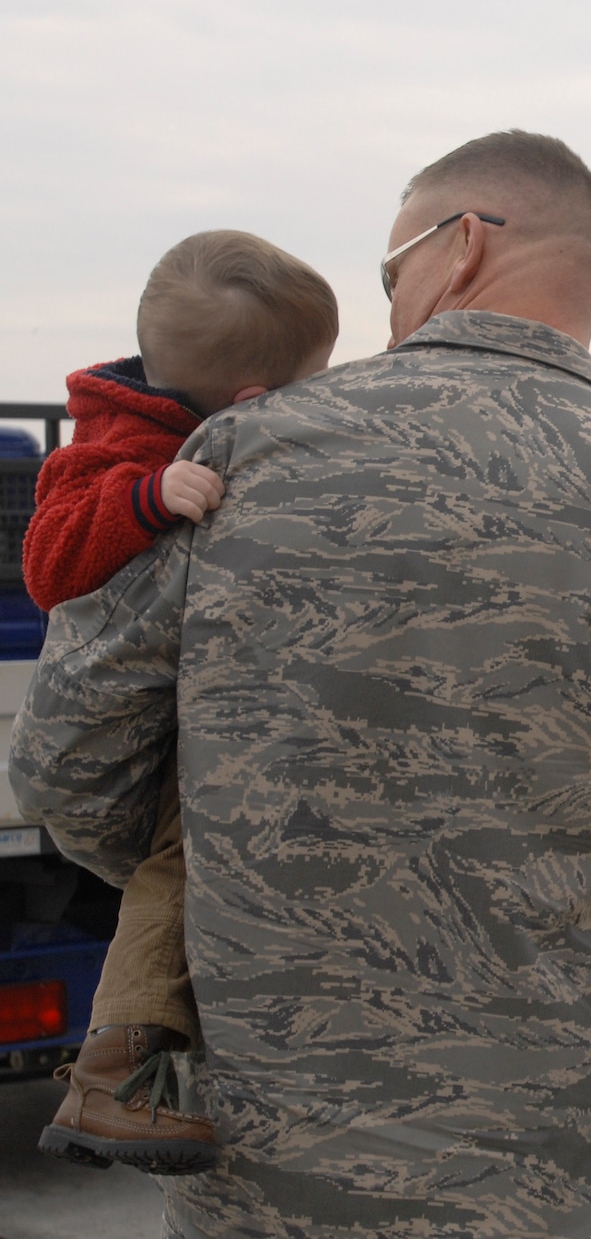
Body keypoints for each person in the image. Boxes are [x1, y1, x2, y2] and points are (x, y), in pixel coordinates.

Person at [10, 129, 591, 1238]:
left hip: (270, 1182)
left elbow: (65, 772)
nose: (386, 300)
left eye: (388, 269)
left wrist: (236, 870)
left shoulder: (233, 459)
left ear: (459, 246)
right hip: (559, 1184)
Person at [27, 229, 340, 1175]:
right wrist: (145, 497)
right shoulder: (118, 446)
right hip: (150, 729)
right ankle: (111, 1073)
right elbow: (49, 565)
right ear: (253, 404)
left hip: (180, 709)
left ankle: (147, 1071)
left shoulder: (181, 416)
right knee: (185, 863)